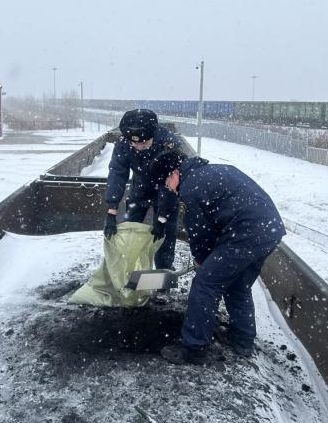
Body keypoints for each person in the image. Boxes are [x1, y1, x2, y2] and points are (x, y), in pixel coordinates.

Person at [149, 150, 286, 365]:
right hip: (270, 230)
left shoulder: (191, 187)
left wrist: (201, 259)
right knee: (238, 285)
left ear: (175, 172)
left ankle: (193, 348)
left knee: (205, 284)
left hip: (245, 233)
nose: (168, 187)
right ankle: (242, 340)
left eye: (167, 181)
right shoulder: (215, 171)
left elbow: (200, 232)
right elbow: (217, 217)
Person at [103, 109, 181, 269]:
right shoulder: (124, 143)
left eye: (144, 143)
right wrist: (111, 209)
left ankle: (163, 272)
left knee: (164, 234)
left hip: (165, 189)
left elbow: (172, 183)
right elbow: (117, 173)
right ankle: (128, 266)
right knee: (130, 227)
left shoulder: (169, 144)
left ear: (153, 135)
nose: (138, 147)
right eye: (135, 143)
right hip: (140, 188)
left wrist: (162, 217)